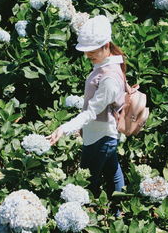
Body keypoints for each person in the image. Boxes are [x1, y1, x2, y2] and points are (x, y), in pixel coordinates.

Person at [47, 15, 126, 204]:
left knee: (87, 180)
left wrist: (63, 129)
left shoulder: (109, 77)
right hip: (102, 134)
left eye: (92, 51)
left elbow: (92, 112)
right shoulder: (107, 64)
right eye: (86, 50)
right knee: (113, 172)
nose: (87, 55)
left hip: (101, 137)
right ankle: (117, 212)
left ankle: (93, 213)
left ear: (106, 45)